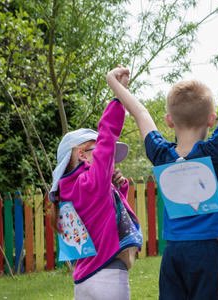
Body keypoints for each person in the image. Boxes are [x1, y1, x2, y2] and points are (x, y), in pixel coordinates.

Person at [110, 31, 218, 299]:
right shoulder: (215, 153)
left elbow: (140, 112)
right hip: (210, 252)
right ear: (211, 119)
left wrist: (115, 84)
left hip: (173, 253)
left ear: (170, 120)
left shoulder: (161, 154)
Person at [50, 67, 144, 300]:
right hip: (108, 279)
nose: (109, 160)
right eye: (102, 154)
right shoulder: (91, 183)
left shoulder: (71, 189)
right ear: (83, 154)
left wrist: (119, 190)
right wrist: (118, 95)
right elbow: (107, 136)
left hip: (85, 281)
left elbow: (105, 219)